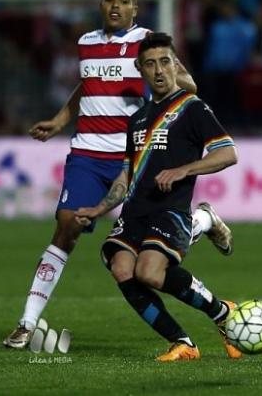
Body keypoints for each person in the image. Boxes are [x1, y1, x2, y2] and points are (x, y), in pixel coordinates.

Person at [3, 0, 232, 350]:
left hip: (136, 155)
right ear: (100, 5)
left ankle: (201, 221)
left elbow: (186, 84)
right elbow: (87, 85)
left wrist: (151, 81)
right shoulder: (86, 44)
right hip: (89, 153)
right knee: (65, 226)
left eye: (124, 1)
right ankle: (28, 322)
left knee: (149, 248)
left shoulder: (146, 45)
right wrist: (61, 120)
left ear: (135, 9)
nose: (115, 5)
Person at [74, 32, 240, 361]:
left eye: (165, 62)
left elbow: (228, 153)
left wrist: (184, 170)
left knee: (148, 273)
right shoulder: (136, 119)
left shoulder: (192, 109)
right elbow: (127, 174)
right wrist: (98, 208)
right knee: (120, 266)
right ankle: (183, 343)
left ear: (175, 65)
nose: (159, 70)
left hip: (170, 210)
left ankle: (222, 313)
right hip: (135, 212)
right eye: (150, 64)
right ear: (141, 69)